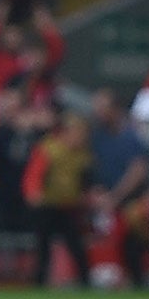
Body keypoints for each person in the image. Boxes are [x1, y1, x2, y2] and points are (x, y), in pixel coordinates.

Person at [23, 109, 94, 287]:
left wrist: (86, 196)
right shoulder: (48, 149)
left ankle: (86, 281)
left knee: (76, 245)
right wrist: (33, 194)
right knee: (43, 246)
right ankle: (39, 283)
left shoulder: (82, 154)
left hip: (69, 206)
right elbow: (33, 175)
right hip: (47, 205)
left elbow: (86, 179)